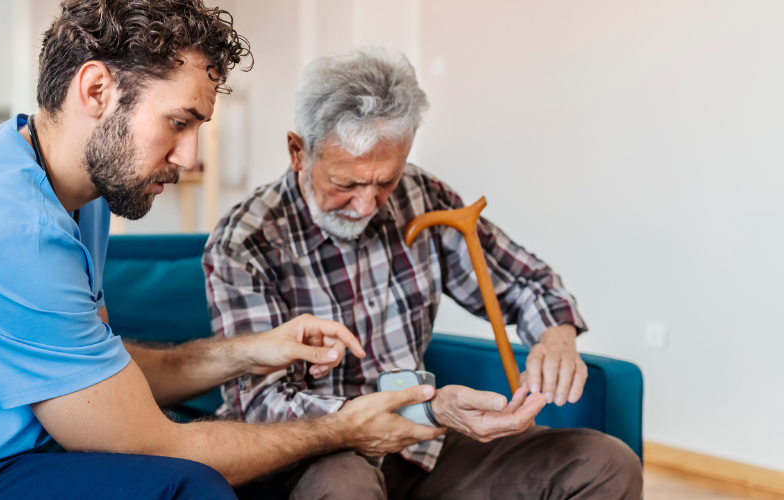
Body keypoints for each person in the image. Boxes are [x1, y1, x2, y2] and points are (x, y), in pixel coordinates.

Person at [0, 4, 453, 500]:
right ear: (96, 89)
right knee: (187, 483)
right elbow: (156, 448)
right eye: (178, 123)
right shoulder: (5, 230)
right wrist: (337, 428)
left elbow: (100, 370)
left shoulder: (67, 192)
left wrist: (253, 349)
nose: (189, 155)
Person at [204, 48, 643, 499]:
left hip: (425, 448)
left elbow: (528, 283)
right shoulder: (246, 241)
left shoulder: (422, 194)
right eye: (348, 184)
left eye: (386, 180)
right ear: (299, 151)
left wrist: (555, 336)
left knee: (606, 463)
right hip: (324, 451)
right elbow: (261, 406)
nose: (368, 206)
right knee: (344, 489)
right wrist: (425, 409)